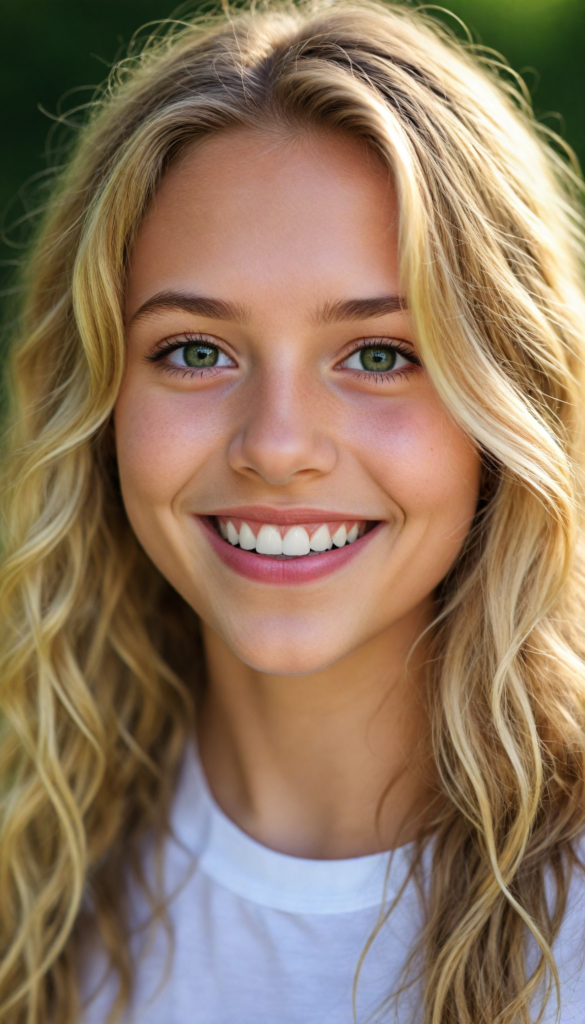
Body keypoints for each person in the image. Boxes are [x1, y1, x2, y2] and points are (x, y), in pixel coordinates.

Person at [1, 1, 584, 1022]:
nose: (275, 444)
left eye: (378, 356)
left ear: (508, 403)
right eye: (195, 350)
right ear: (97, 402)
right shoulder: (26, 876)